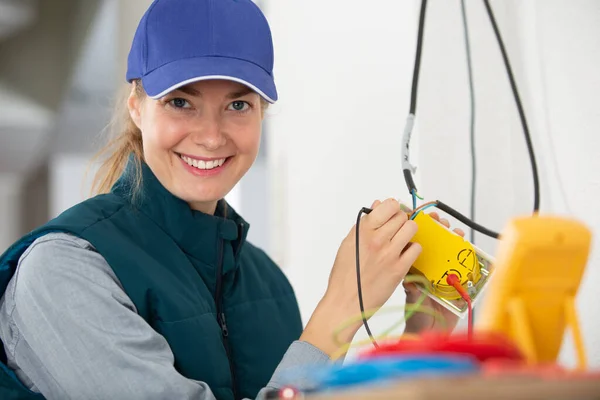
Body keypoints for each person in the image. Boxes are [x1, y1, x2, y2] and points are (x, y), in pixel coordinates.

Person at [0, 0, 463, 399]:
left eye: (238, 105)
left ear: (262, 114)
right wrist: (341, 306)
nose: (210, 135)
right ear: (137, 108)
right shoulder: (63, 270)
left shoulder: (267, 283)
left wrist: (426, 329)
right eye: (181, 102)